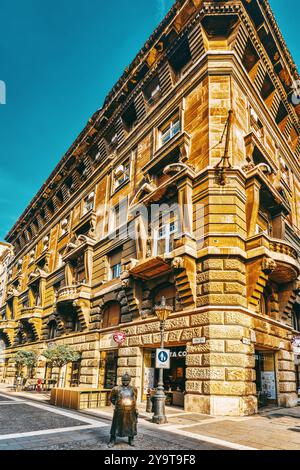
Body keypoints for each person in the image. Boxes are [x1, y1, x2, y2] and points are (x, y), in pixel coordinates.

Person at [108, 373, 138, 447]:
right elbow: (111, 398)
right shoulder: (116, 389)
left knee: (131, 425)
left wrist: (133, 406)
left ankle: (131, 439)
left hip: (131, 410)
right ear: (121, 380)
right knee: (116, 426)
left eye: (127, 380)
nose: (125, 382)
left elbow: (135, 398)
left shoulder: (133, 388)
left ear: (130, 380)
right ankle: (112, 440)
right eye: (124, 380)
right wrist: (118, 404)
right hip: (119, 410)